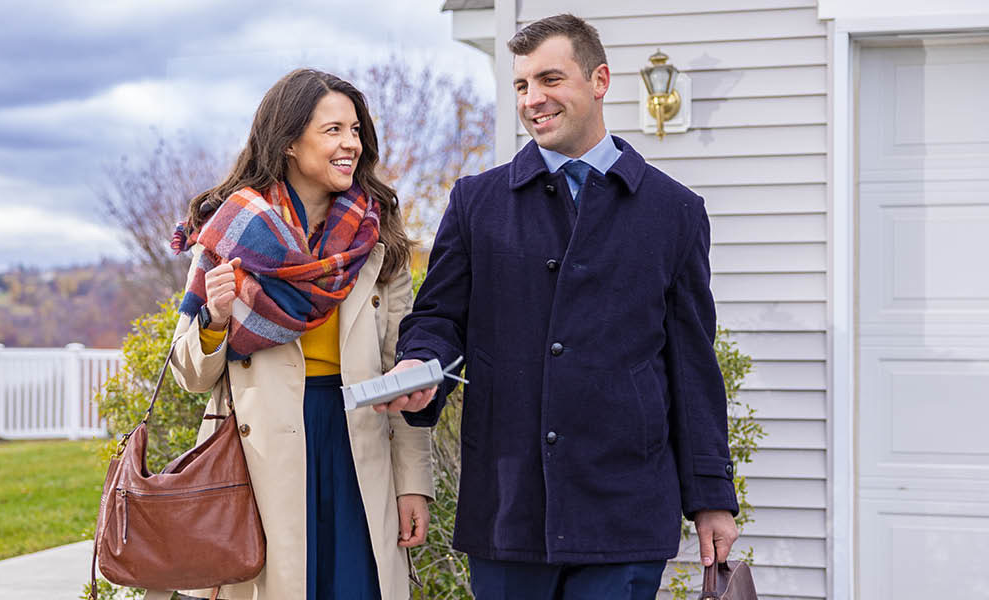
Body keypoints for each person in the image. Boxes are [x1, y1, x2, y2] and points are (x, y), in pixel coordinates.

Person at [381, 14, 740, 600]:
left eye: (550, 79)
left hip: (625, 510)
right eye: (521, 85)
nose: (532, 100)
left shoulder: (674, 212)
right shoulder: (477, 203)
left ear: (600, 80)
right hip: (509, 504)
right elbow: (438, 317)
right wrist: (419, 364)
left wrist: (711, 498)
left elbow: (693, 364)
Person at [168, 68, 433, 600]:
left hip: (357, 447)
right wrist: (216, 318)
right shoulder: (231, 231)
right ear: (290, 142)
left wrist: (413, 484)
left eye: (355, 130)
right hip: (259, 456)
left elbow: (399, 371)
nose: (350, 144)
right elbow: (192, 377)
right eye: (332, 130)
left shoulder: (375, 238)